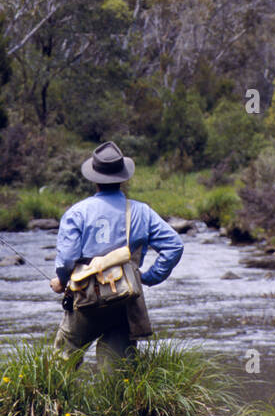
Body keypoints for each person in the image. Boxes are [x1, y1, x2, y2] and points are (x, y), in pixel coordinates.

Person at [51, 140, 183, 367]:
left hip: (84, 299)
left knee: (60, 365)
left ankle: (52, 403)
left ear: (94, 179)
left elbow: (66, 259)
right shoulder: (142, 212)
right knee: (117, 378)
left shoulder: (77, 213)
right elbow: (174, 246)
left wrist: (61, 281)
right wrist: (147, 277)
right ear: (123, 178)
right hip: (124, 301)